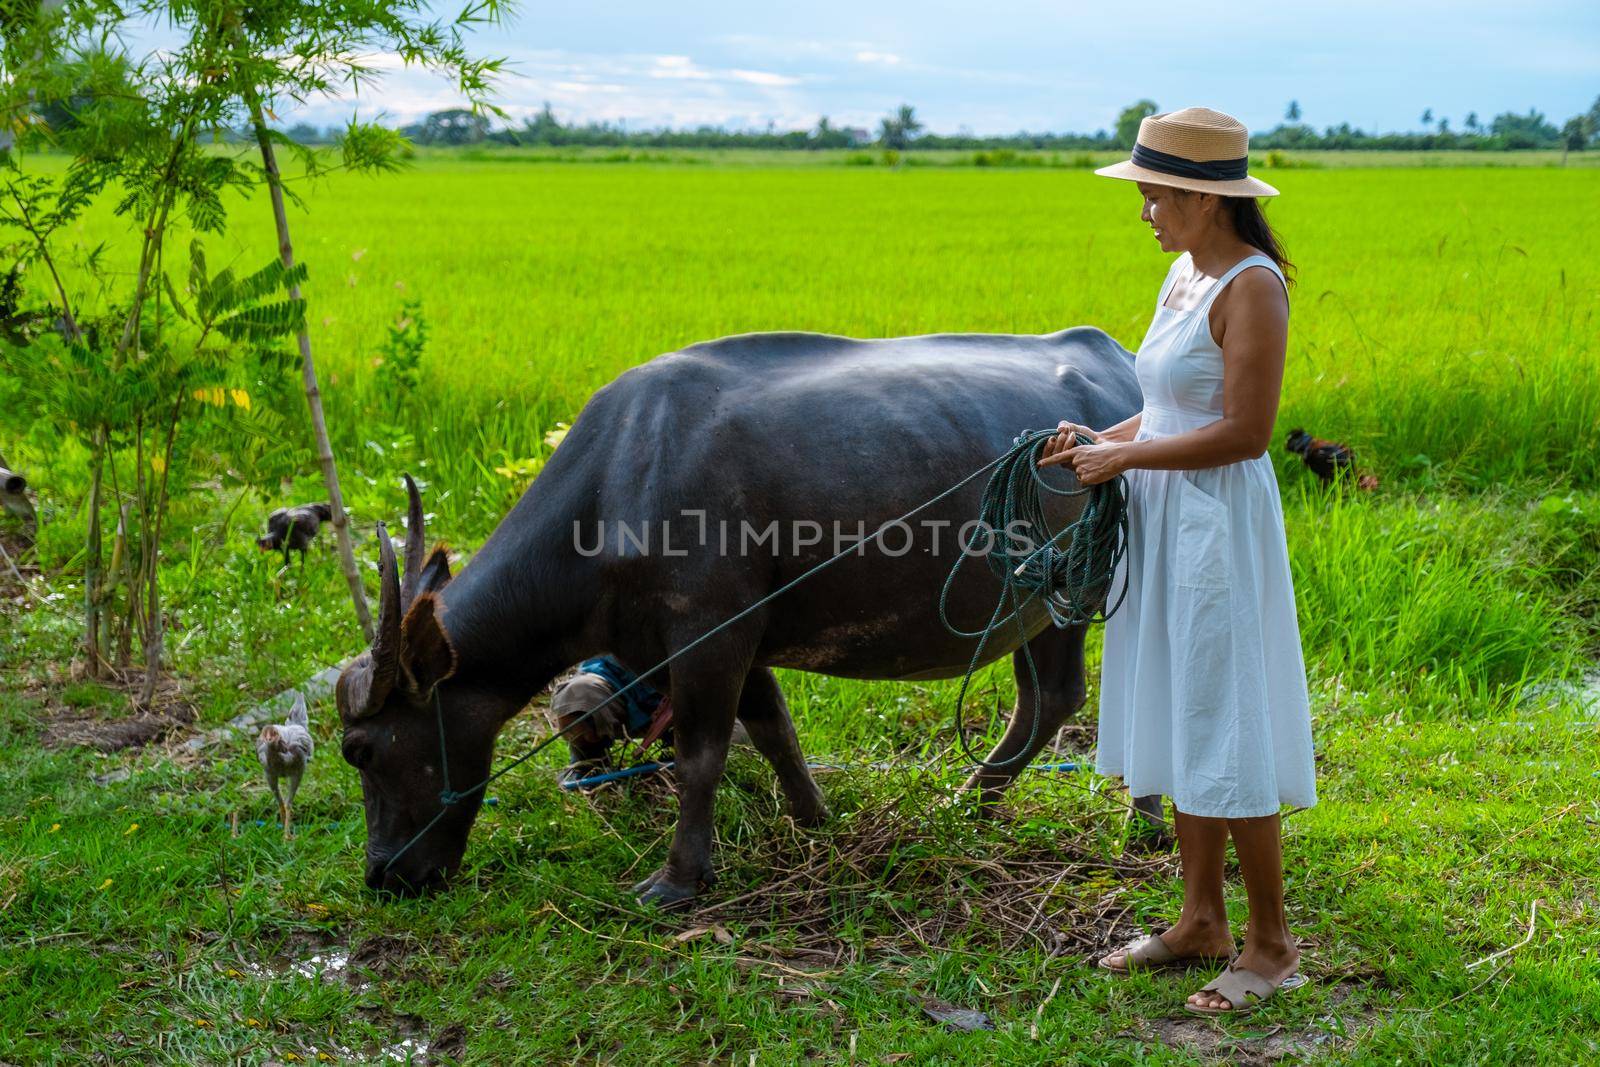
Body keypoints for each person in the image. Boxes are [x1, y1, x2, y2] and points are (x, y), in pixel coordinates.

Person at [1038, 107, 1316, 1016]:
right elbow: (1165, 409)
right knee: (1182, 709)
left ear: (1205, 198)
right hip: (1165, 520)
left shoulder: (1252, 285)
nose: (1145, 211)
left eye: (1156, 196)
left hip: (1215, 531)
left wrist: (1122, 460)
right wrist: (1098, 437)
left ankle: (1271, 944)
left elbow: (1243, 433)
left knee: (1223, 714)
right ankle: (1200, 918)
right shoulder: (1183, 277)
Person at [546, 655, 748, 780]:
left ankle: (679, 760)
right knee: (577, 698)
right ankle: (589, 764)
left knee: (736, 741)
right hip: (621, 695)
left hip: (692, 701)